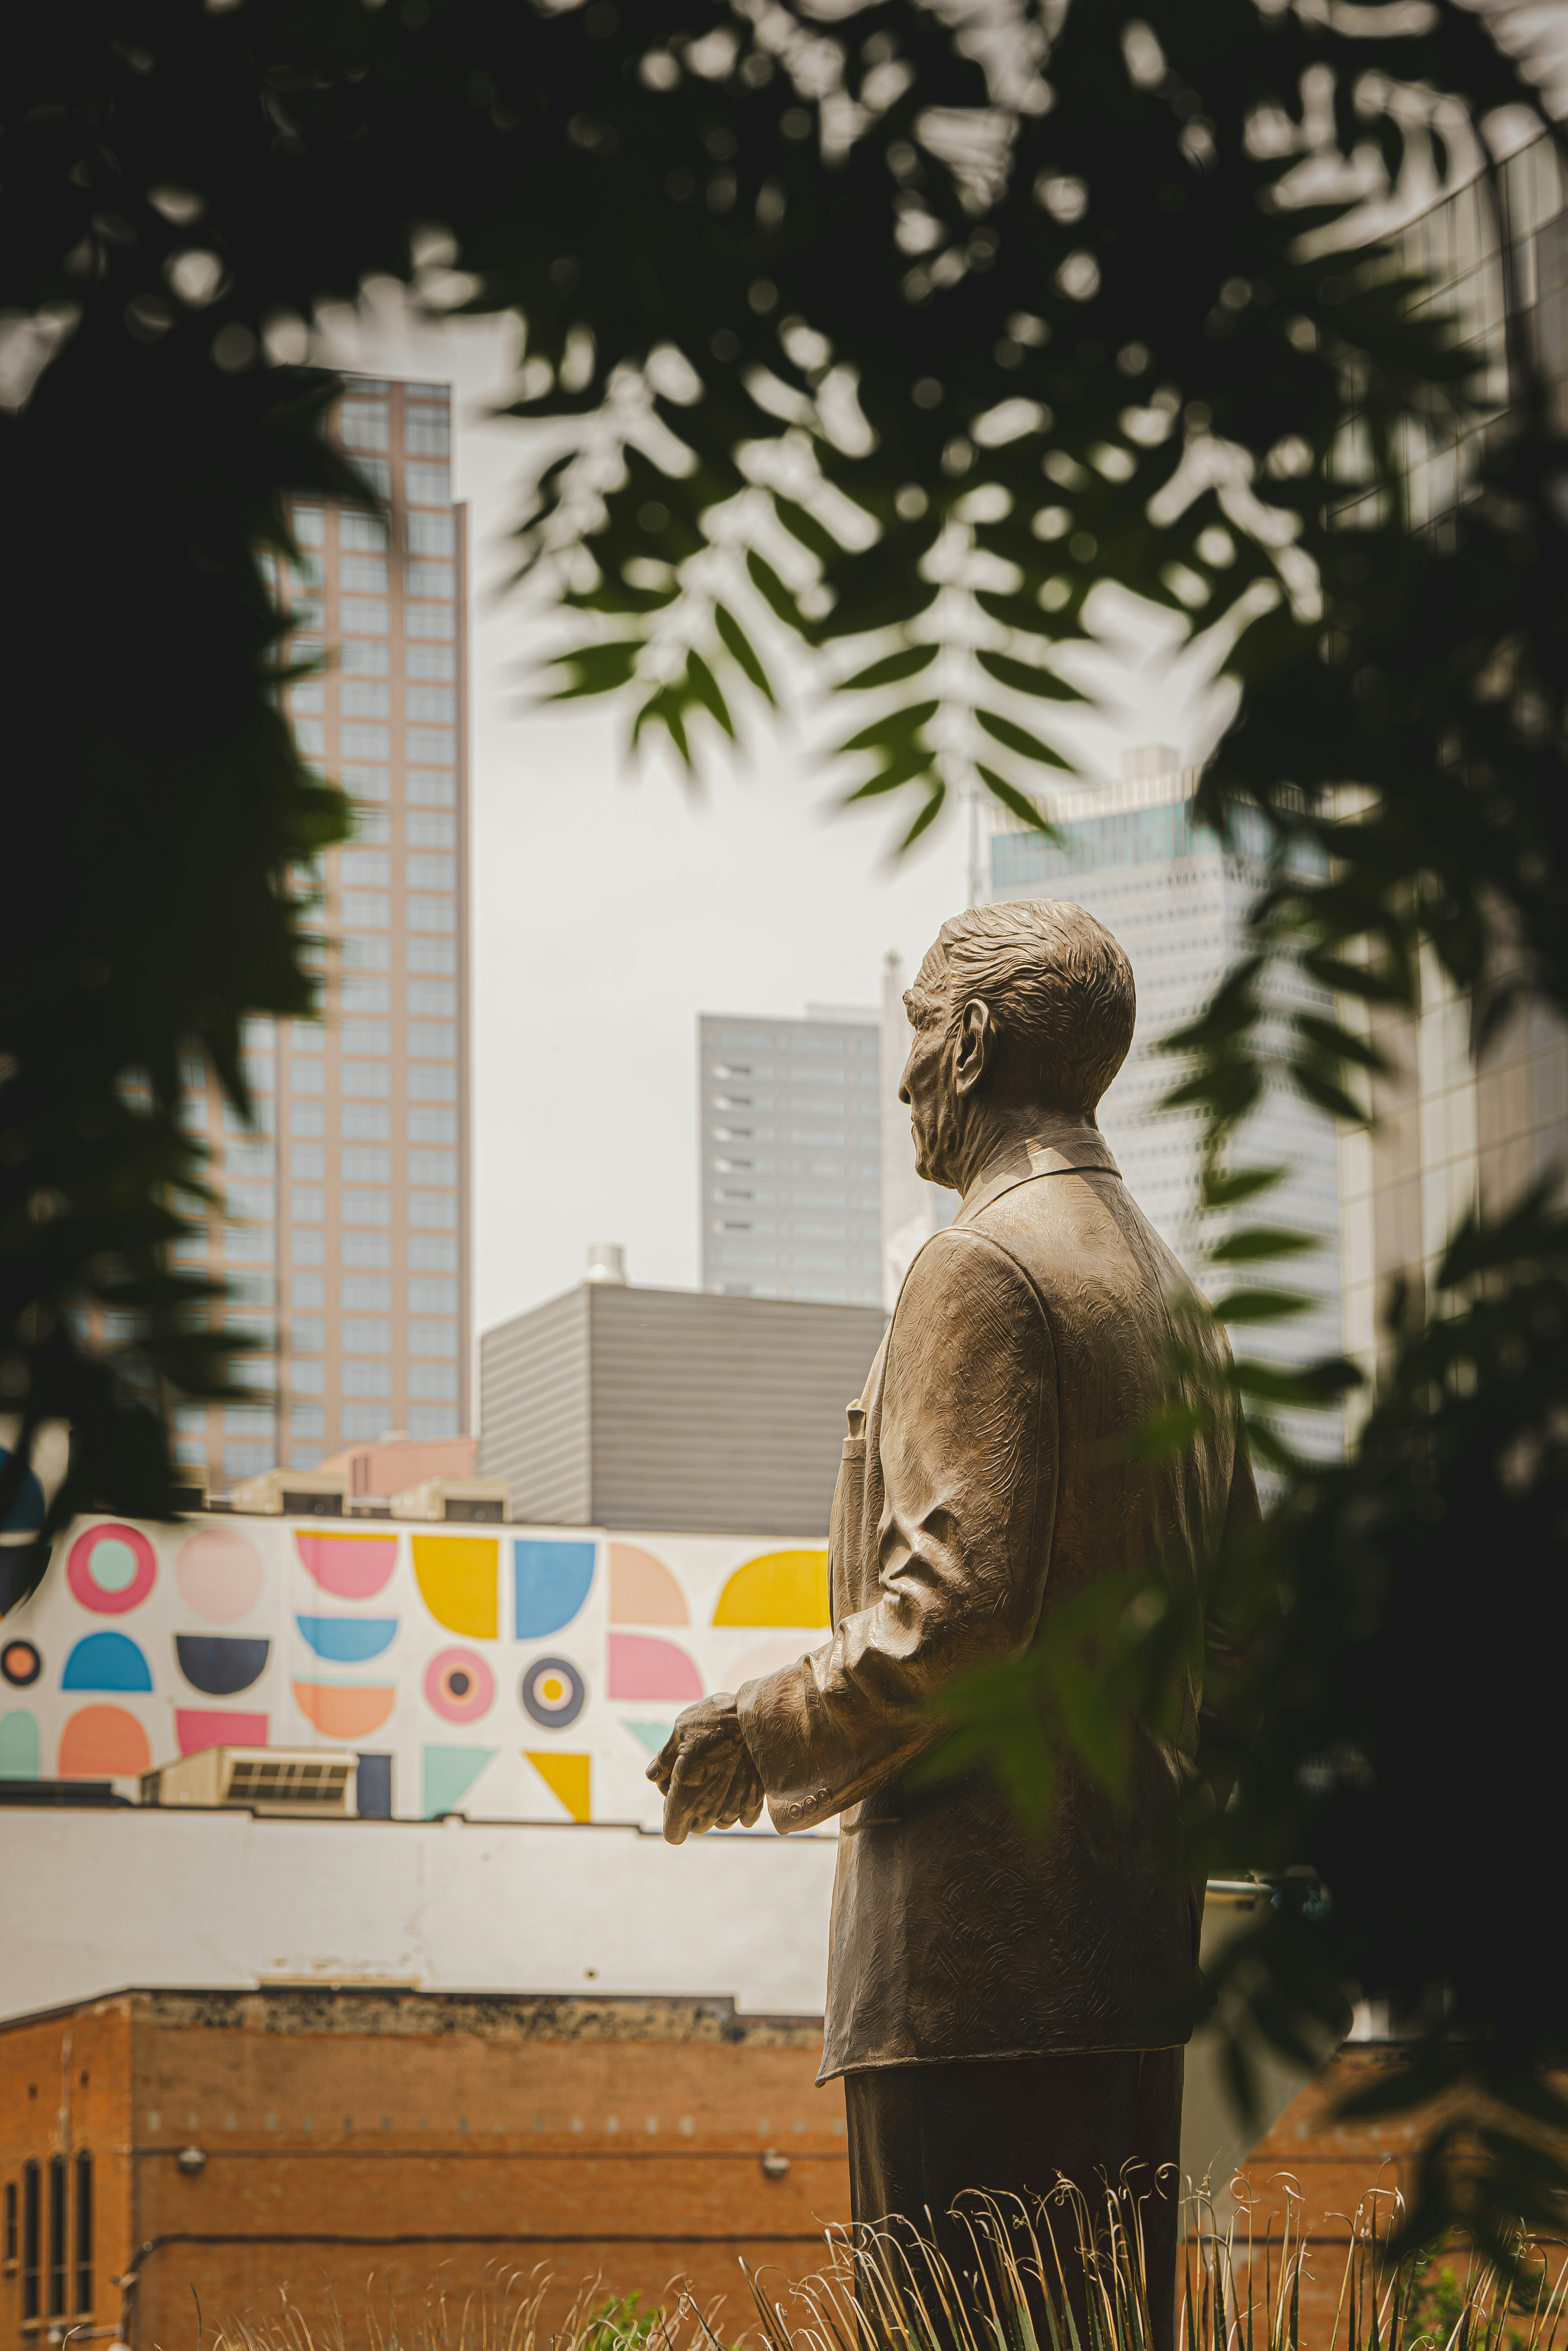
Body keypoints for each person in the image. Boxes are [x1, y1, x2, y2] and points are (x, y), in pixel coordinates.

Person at [649, 900, 1257, 2350]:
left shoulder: (977, 1268)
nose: (909, 1073)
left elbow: (955, 1609)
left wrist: (759, 1725)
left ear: (973, 1043)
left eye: (922, 1035)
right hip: (1130, 1963)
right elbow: (1237, 1646)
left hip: (972, 1980)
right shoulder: (1176, 1299)